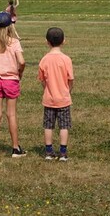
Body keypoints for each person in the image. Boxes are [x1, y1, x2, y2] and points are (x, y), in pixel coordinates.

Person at [0, 12, 26, 158]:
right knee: (11, 114)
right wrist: (19, 72)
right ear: (10, 27)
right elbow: (21, 61)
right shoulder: (14, 42)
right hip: (11, 80)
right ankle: (15, 148)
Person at [39, 27, 74, 161]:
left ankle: (48, 151)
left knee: (48, 125)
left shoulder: (44, 59)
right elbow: (70, 79)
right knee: (64, 126)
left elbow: (42, 80)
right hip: (64, 98)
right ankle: (63, 152)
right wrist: (67, 91)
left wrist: (47, 89)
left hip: (49, 98)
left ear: (47, 42)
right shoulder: (66, 59)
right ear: (63, 41)